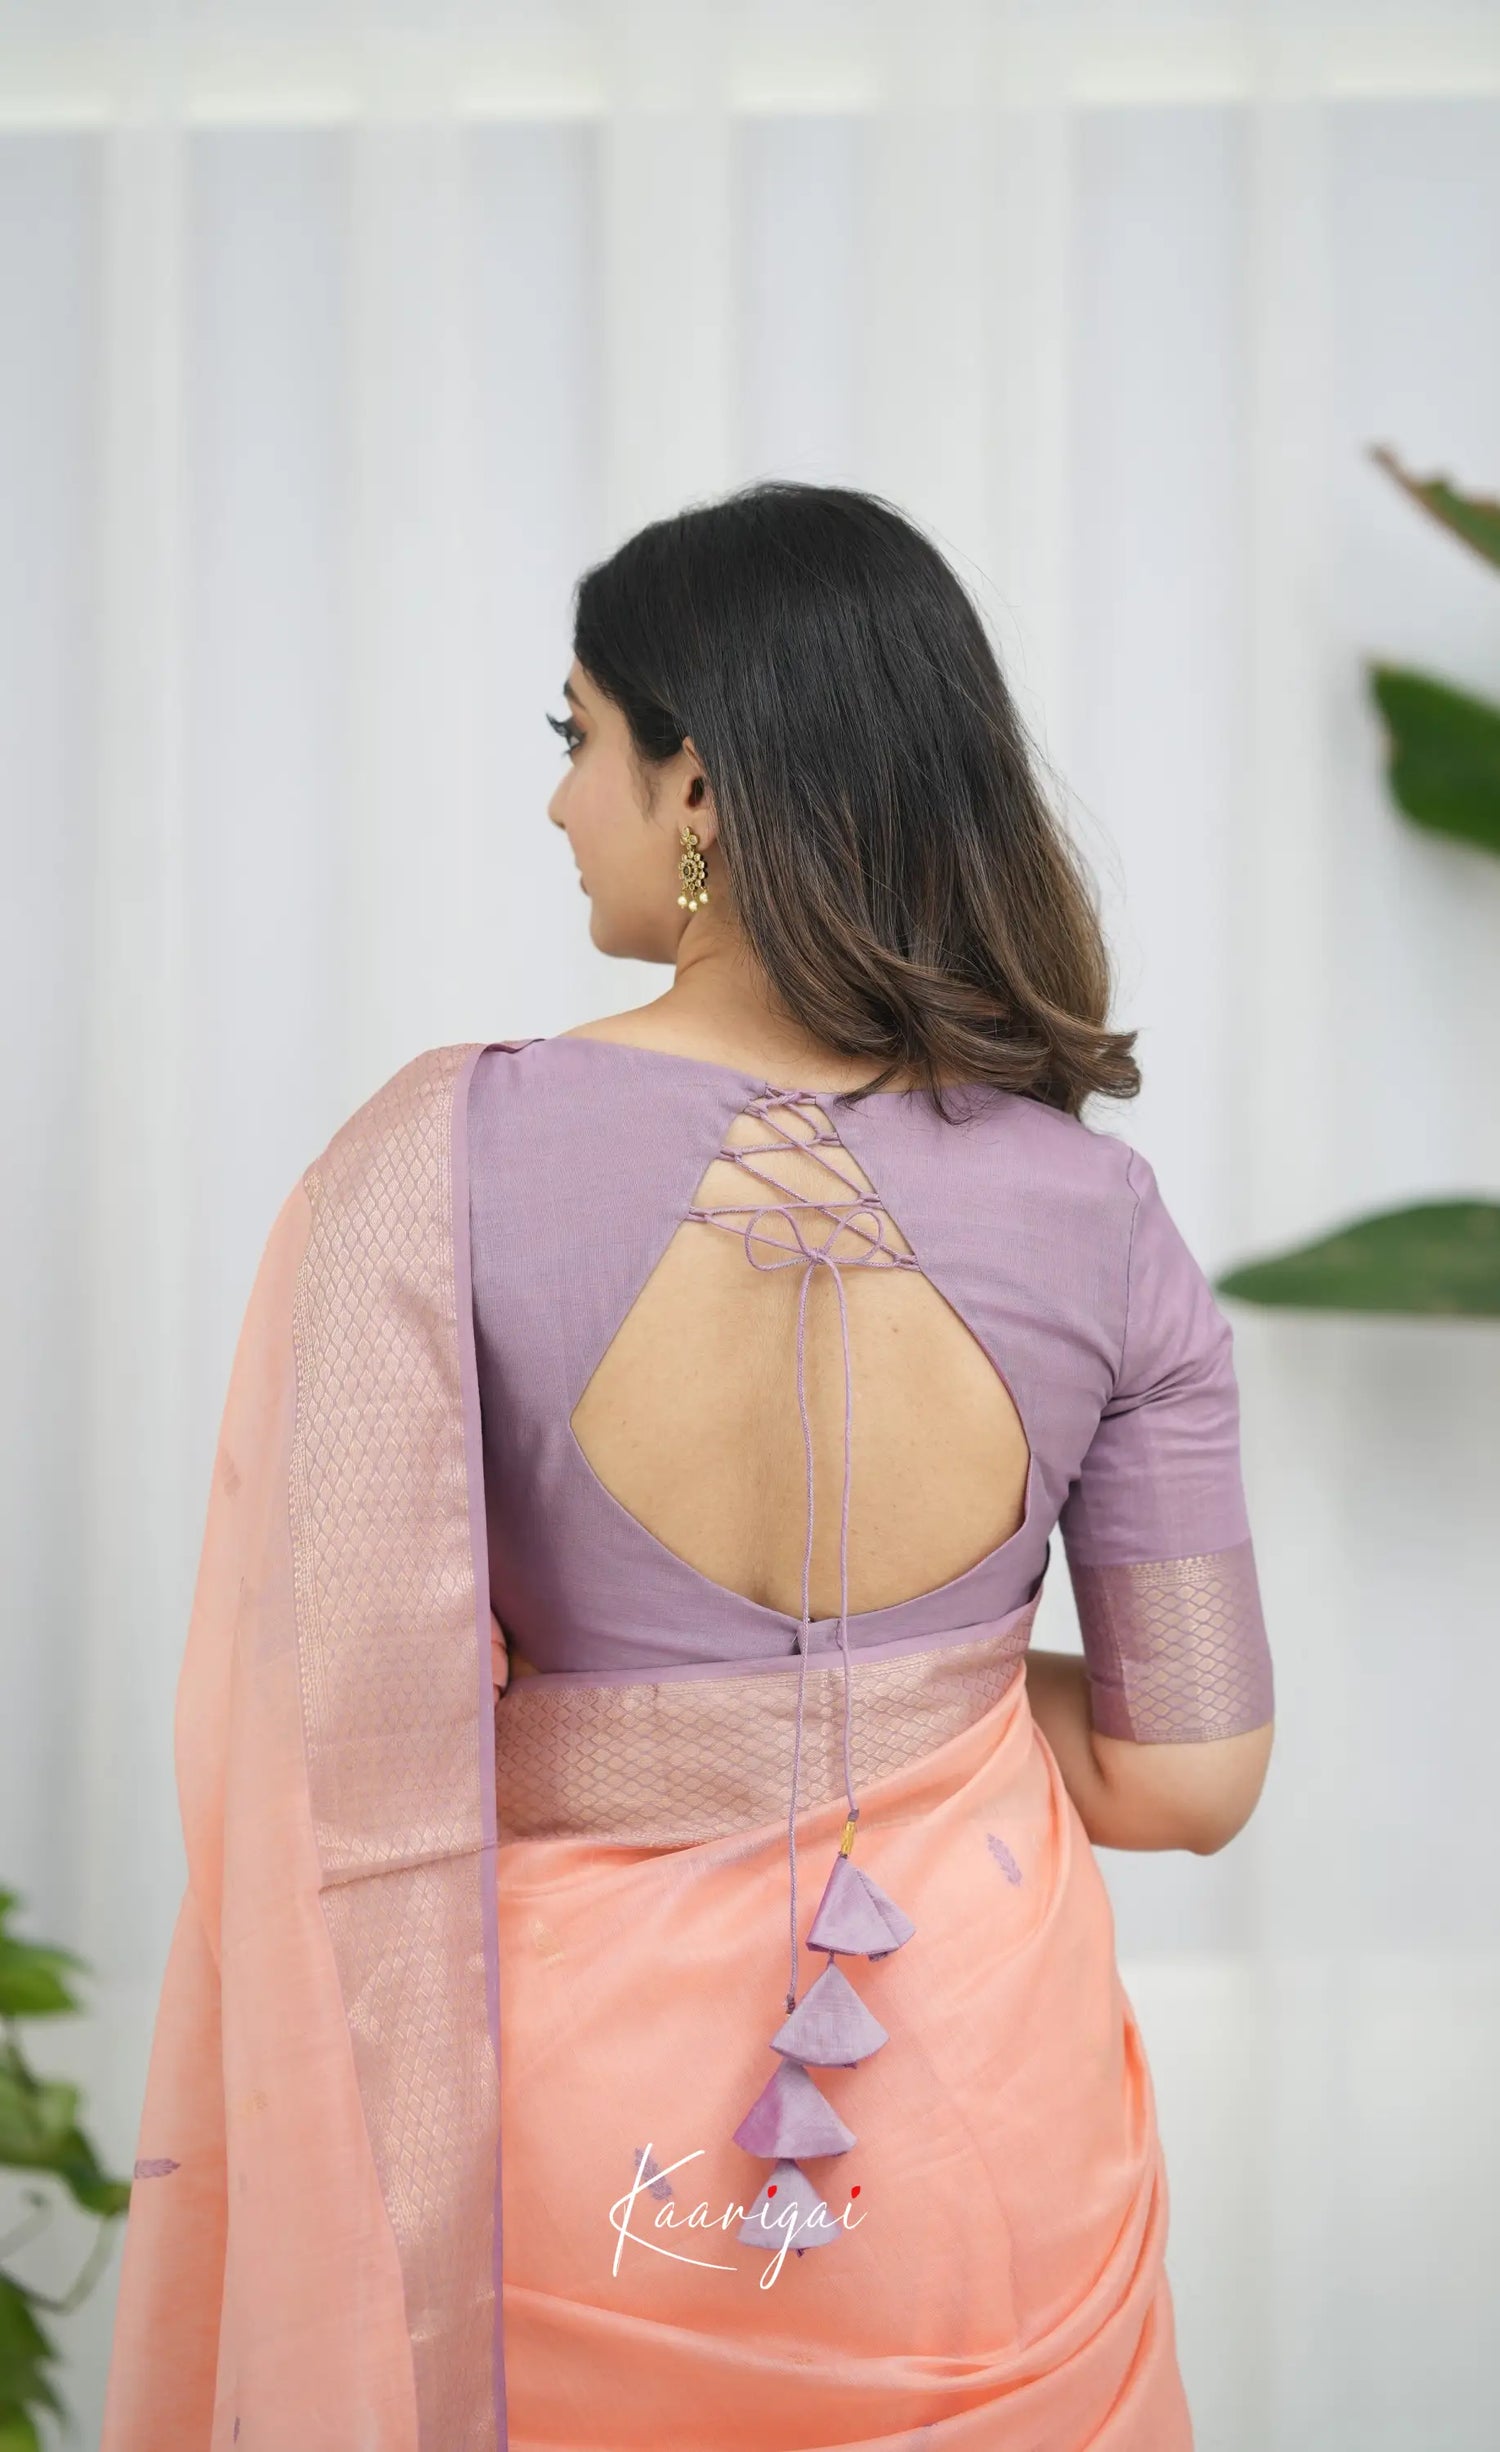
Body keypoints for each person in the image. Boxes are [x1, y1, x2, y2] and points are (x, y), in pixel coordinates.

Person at [101, 481, 1275, 2451]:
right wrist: (927, 1700)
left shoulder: (427, 1165)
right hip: (976, 2119)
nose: (562, 801)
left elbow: (327, 1725)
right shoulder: (1105, 1221)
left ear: (700, 783)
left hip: (565, 2129)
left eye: (581, 738)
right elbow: (1191, 1776)